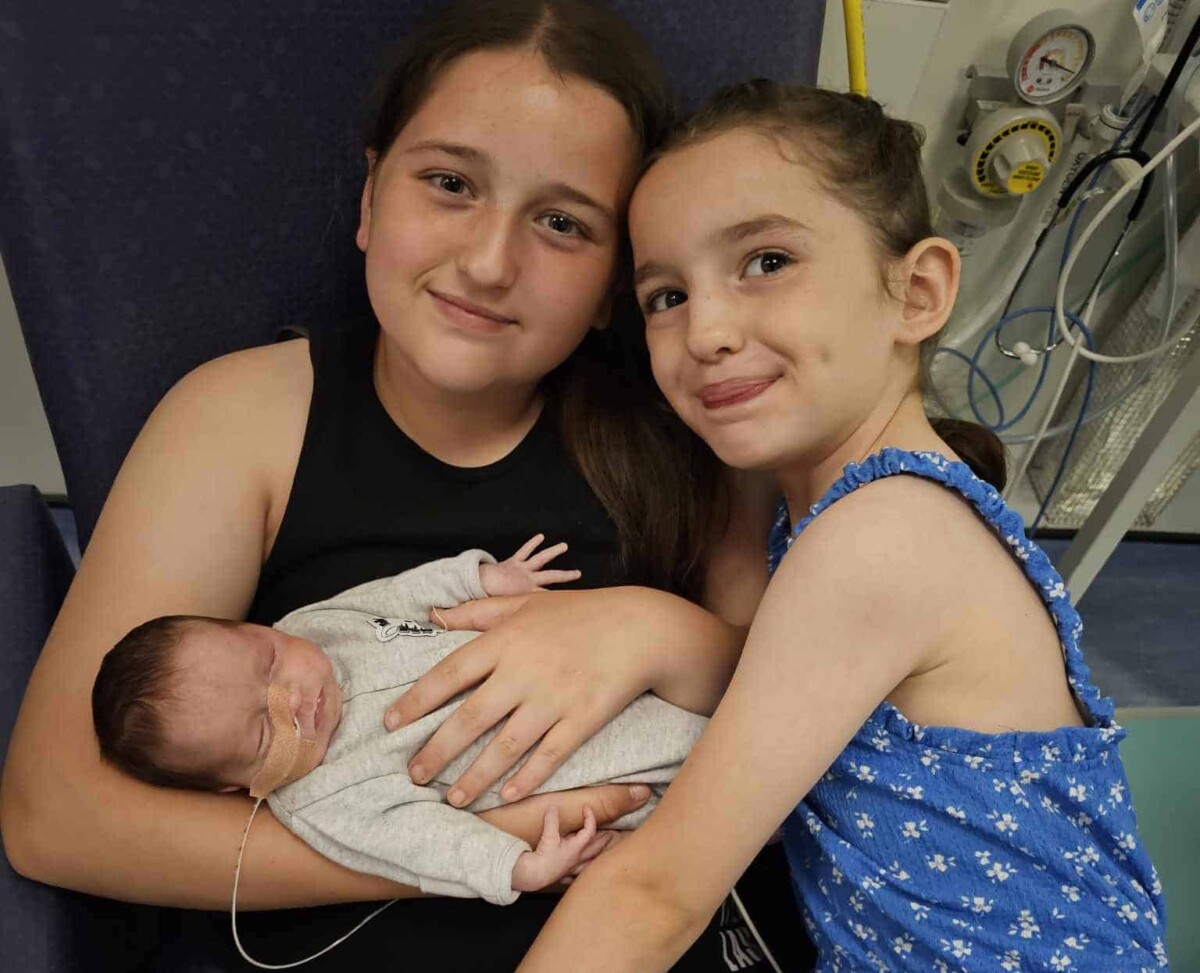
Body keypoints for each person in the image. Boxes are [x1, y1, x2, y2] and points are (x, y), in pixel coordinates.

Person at [1, 4, 807, 970]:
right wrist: (457, 844)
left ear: (614, 285)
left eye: (561, 222)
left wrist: (652, 631)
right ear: (370, 196)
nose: (488, 260)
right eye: (450, 183)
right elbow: (58, 814)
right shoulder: (243, 418)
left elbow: (801, 723)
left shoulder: (693, 427)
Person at [516, 81, 1168, 973]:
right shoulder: (817, 507)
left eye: (767, 262)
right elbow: (744, 653)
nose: (704, 329)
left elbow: (653, 897)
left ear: (918, 291)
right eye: (665, 294)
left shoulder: (885, 534)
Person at [91, 540, 705, 909]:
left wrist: (482, 580)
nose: (295, 699)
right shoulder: (324, 799)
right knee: (722, 784)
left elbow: (395, 596)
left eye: (268, 660)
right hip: (614, 775)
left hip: (612, 674)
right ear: (236, 787)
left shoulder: (313, 626)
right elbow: (425, 849)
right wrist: (520, 870)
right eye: (262, 732)